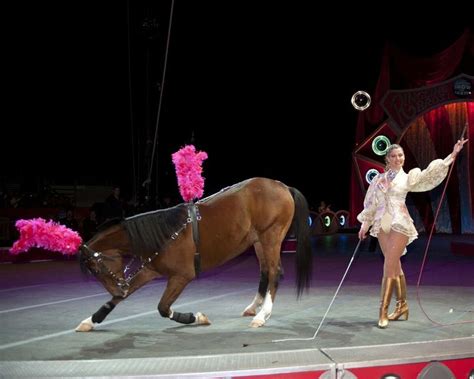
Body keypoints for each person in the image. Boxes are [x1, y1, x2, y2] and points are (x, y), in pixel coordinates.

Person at [357, 138, 467, 329]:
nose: (398, 158)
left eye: (400, 155)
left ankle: (383, 311)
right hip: (383, 223)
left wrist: (453, 154)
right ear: (387, 159)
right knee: (395, 265)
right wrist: (364, 225)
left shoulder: (409, 177)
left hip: (400, 221)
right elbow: (371, 203)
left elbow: (430, 173)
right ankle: (402, 306)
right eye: (393, 156)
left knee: (389, 264)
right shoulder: (377, 180)